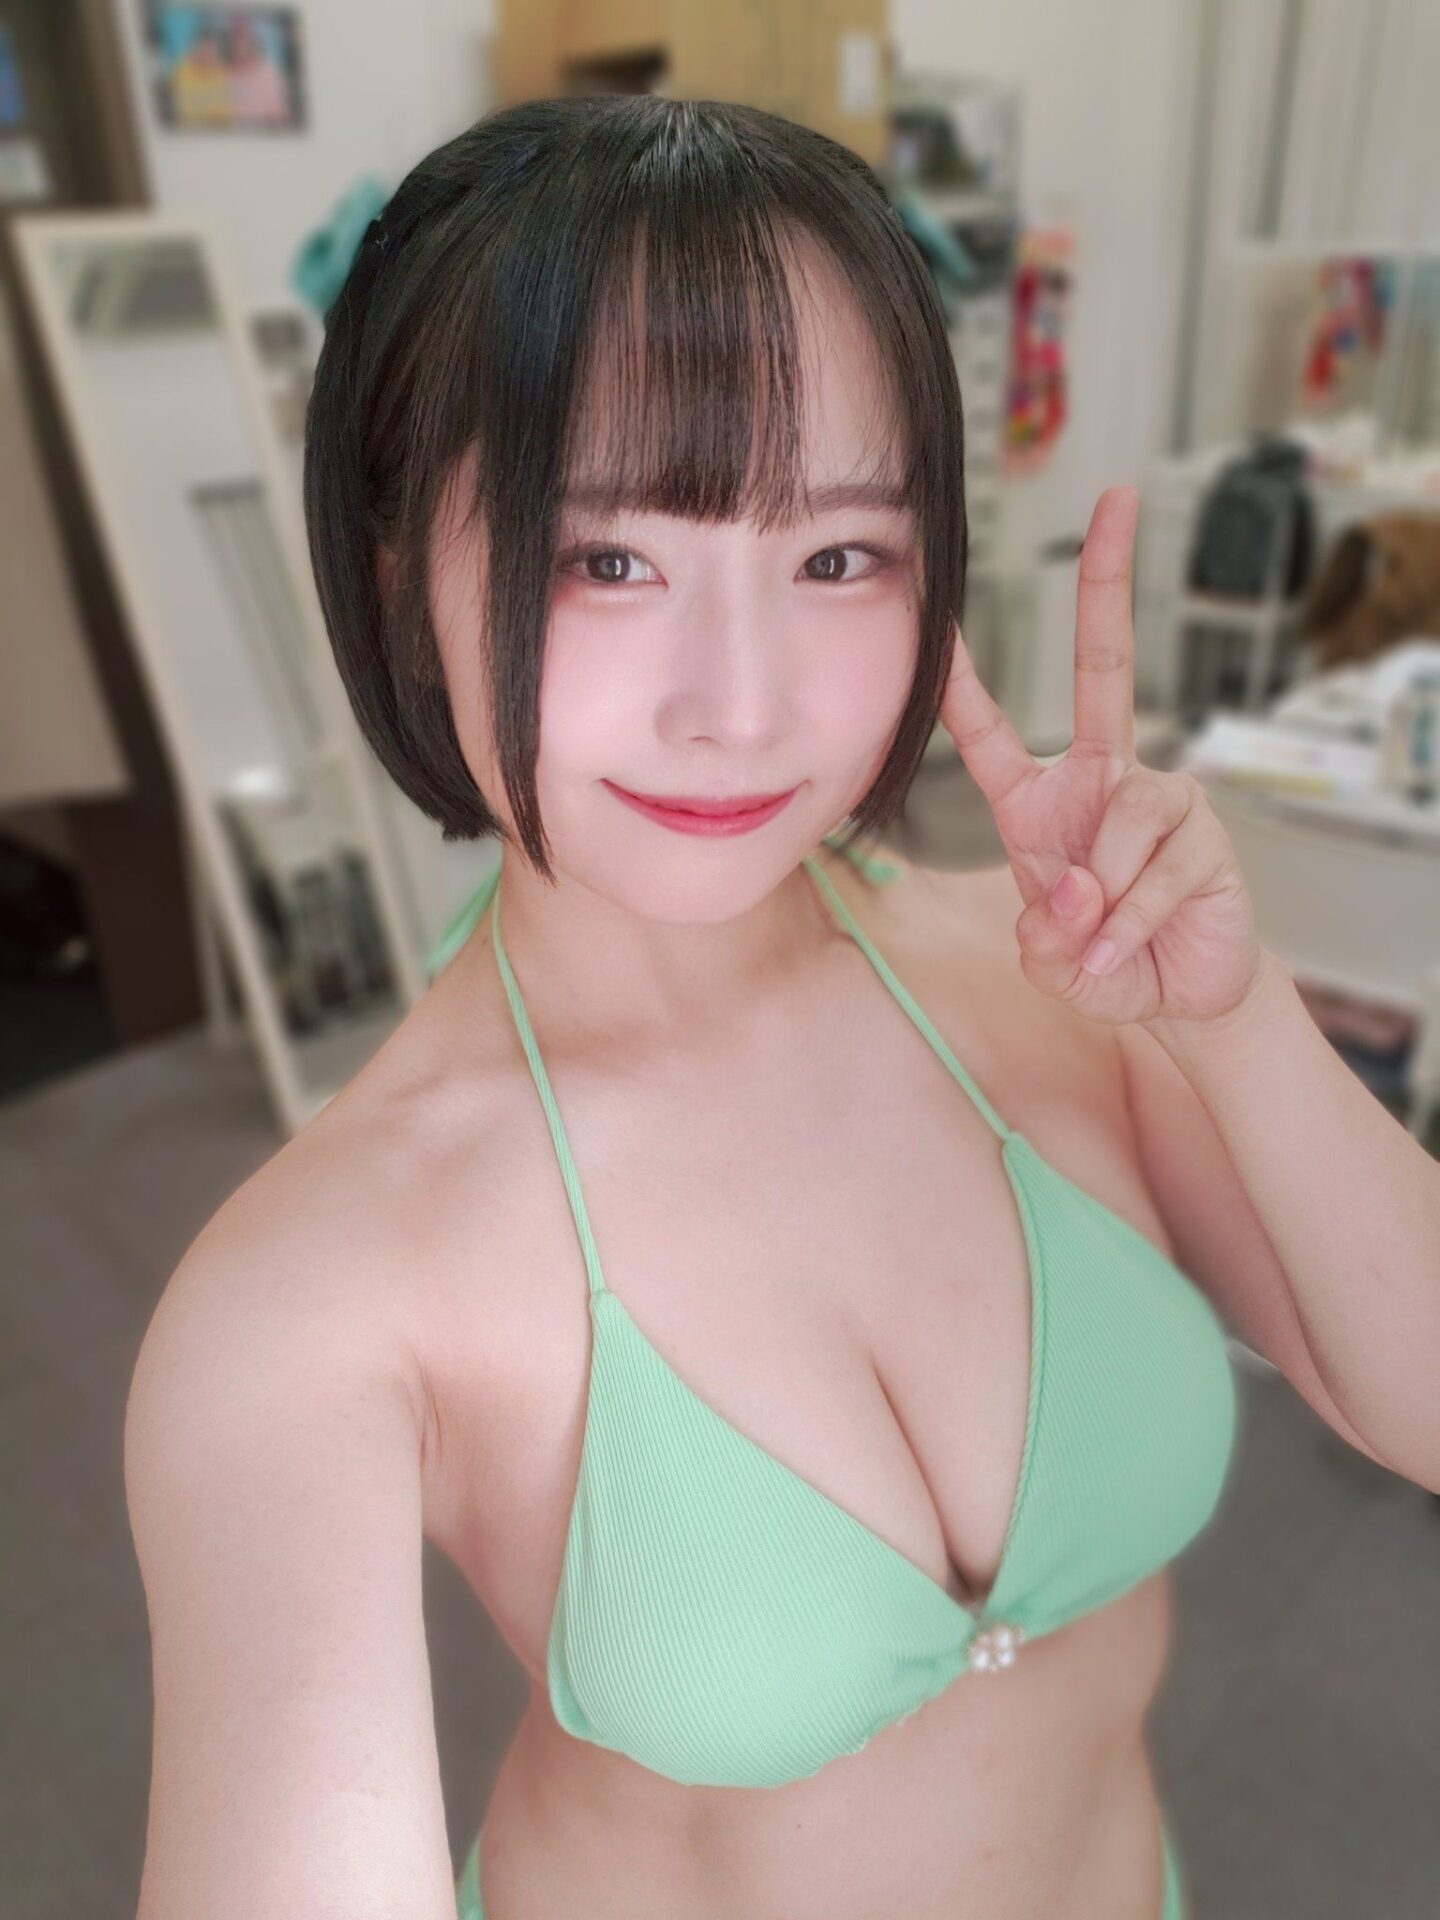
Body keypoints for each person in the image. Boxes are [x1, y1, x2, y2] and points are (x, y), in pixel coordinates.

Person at [124, 95, 1440, 1920]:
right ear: (397, 576)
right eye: (607, 559)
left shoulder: (1052, 984)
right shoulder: (312, 1294)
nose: (739, 707)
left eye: (835, 558)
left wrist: (1230, 1022)